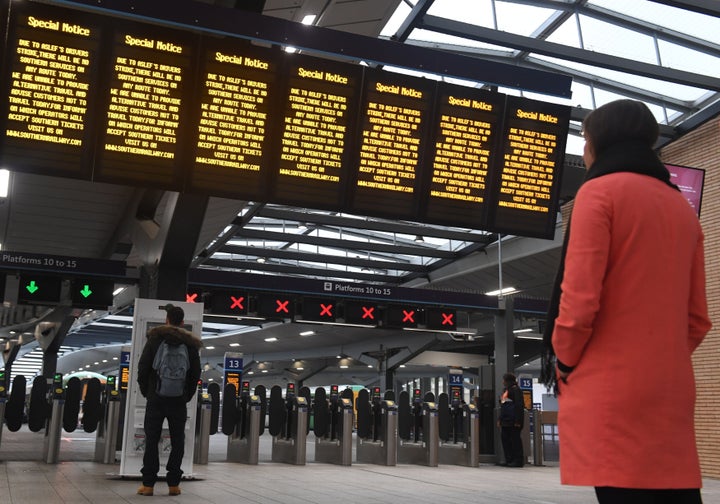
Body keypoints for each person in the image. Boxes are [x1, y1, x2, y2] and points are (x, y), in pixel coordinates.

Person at [541, 99, 711, 503]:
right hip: (670, 386)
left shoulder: (599, 193)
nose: (584, 151)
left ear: (600, 141)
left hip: (612, 387)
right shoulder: (680, 207)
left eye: (585, 139)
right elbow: (697, 318)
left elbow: (580, 299)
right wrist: (661, 356)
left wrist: (564, 361)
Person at [136, 305, 202, 496]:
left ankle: (148, 485)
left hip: (156, 399)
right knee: (178, 440)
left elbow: (143, 367)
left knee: (152, 440)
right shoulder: (190, 344)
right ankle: (174, 484)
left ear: (167, 320)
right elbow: (195, 373)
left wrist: (147, 391)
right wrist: (186, 395)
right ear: (182, 322)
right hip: (178, 401)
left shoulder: (155, 340)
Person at [497, 373, 524, 467]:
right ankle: (509, 460)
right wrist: (500, 419)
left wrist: (518, 420)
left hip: (513, 421)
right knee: (506, 441)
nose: (503, 382)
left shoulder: (516, 390)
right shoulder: (506, 391)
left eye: (504, 380)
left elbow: (519, 406)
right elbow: (503, 406)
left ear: (508, 381)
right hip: (506, 420)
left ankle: (518, 460)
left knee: (515, 441)